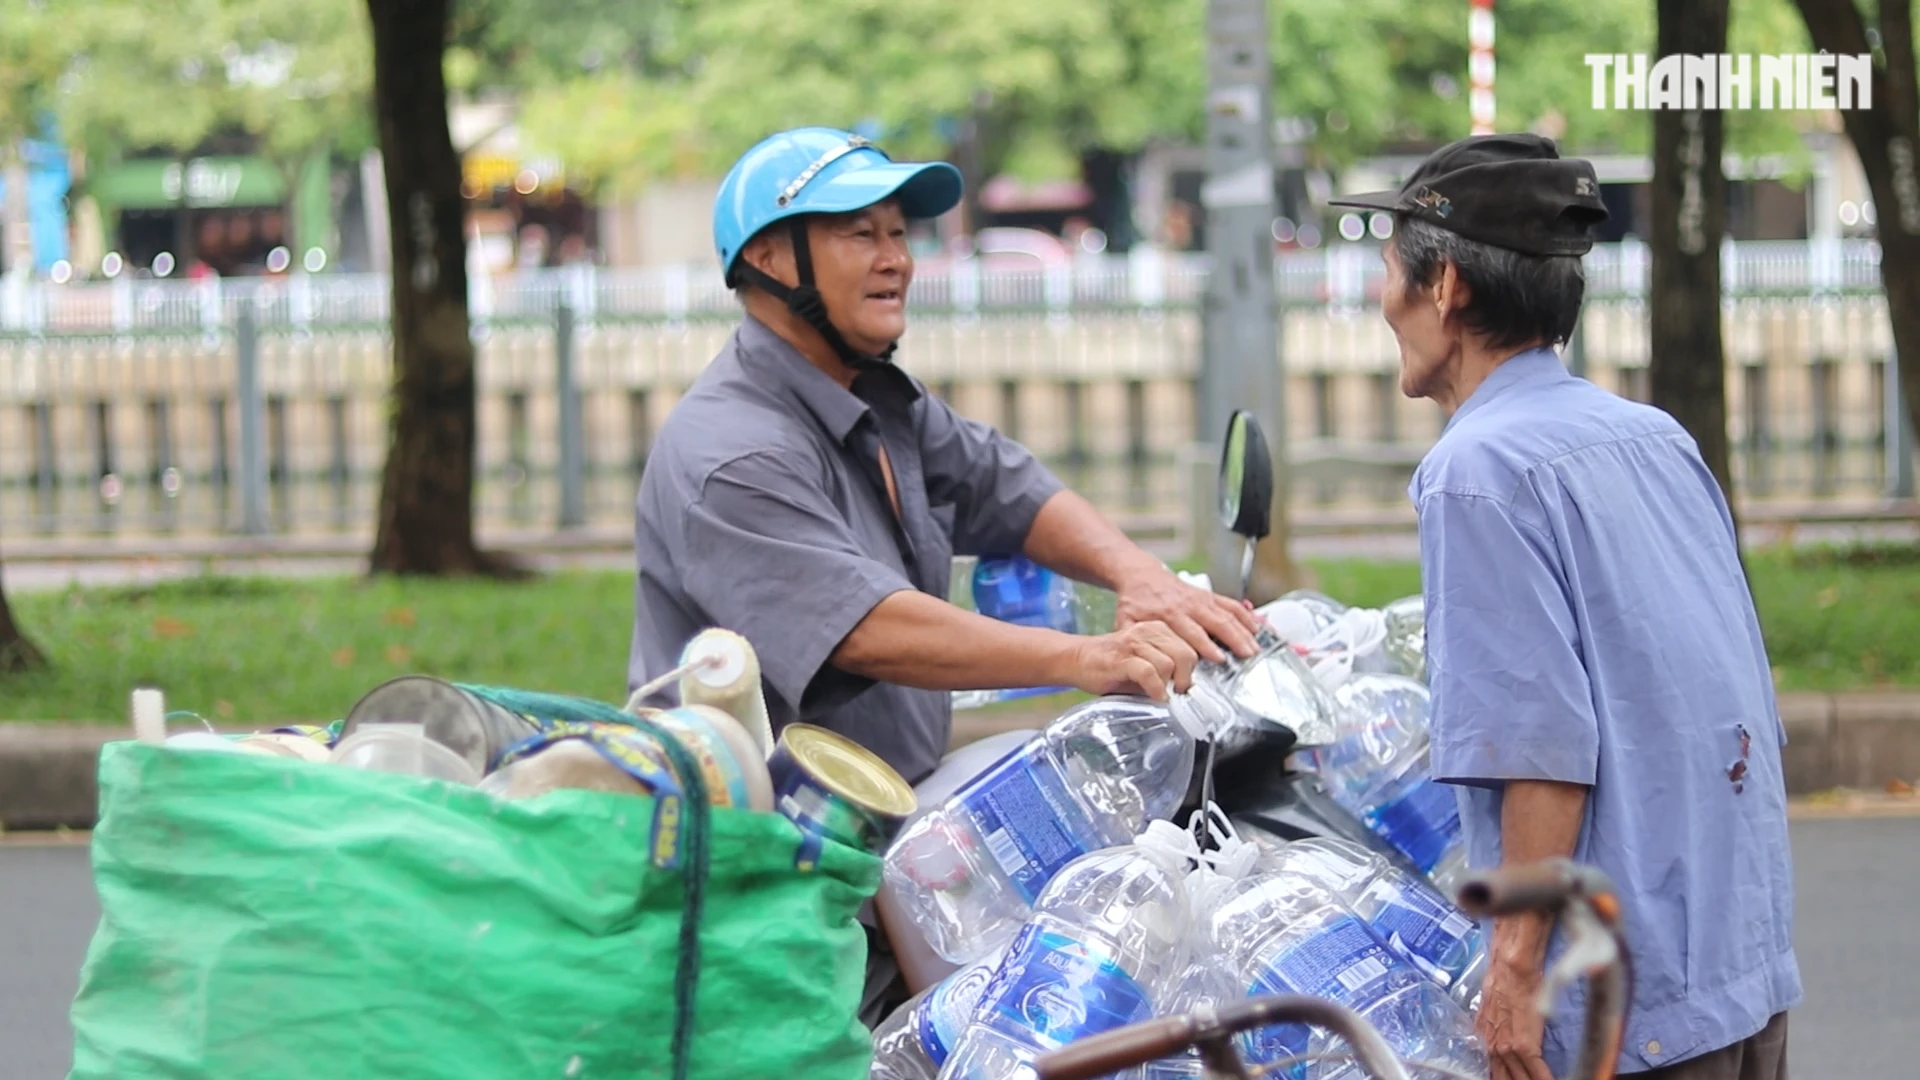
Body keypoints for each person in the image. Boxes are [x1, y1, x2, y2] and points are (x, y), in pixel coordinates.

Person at [626, 126, 1260, 1025]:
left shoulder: (874, 396)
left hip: (904, 834)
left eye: (900, 234)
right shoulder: (731, 453)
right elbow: (866, 626)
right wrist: (1086, 658)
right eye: (861, 235)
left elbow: (1005, 486)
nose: (896, 260)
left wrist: (1140, 575)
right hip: (779, 881)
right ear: (769, 259)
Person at [1329, 133, 1801, 1080]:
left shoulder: (1476, 473)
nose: (1382, 302)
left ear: (1447, 285)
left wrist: (1515, 972)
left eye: (1388, 272)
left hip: (1617, 1018)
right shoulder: (1652, 437)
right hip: (1738, 975)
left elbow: (1537, 743)